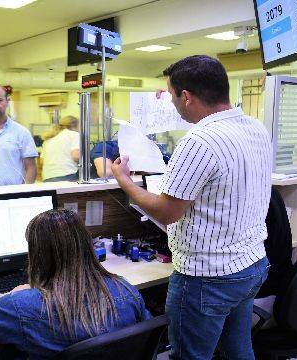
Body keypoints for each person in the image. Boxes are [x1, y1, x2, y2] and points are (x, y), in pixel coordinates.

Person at [111, 55, 272, 359]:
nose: (171, 102)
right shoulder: (255, 128)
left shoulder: (199, 141)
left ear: (186, 97)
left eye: (171, 95)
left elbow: (168, 212)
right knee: (238, 352)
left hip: (207, 277)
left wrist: (125, 182)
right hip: (251, 265)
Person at [0, 209, 151, 359]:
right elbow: (145, 332)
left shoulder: (24, 305)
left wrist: (10, 296)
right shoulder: (125, 288)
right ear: (86, 245)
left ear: (37, 254)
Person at [41, 115, 80, 182]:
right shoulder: (74, 135)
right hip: (67, 175)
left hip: (48, 177)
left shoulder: (49, 139)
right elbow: (76, 156)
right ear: (75, 126)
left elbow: (42, 161)